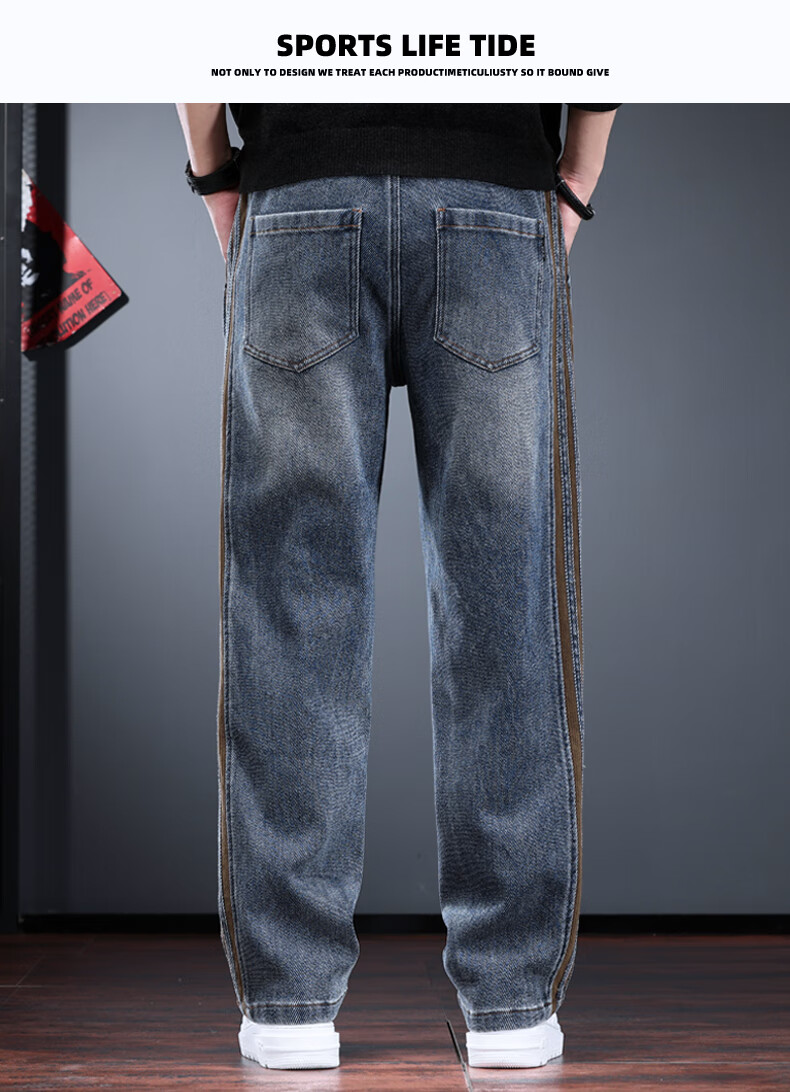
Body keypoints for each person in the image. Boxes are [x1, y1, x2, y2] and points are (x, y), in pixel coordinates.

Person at [176, 102, 619, 1072]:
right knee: (508, 609)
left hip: (300, 193)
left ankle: (289, 1005)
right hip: (492, 195)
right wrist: (578, 175)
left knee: (291, 615)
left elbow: (187, 39)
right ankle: (510, 1005)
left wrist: (216, 179)